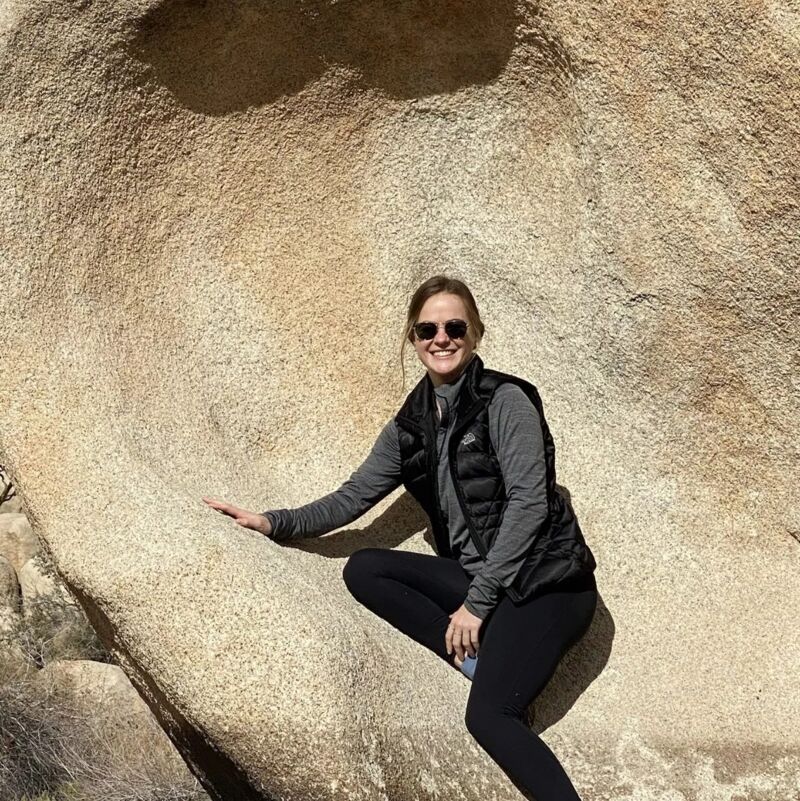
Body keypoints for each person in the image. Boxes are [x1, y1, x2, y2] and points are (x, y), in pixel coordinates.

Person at [202, 275, 597, 801]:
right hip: (488, 582)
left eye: (454, 327)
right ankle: (482, 660)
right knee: (366, 568)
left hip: (547, 584)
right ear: (412, 339)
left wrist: (475, 606)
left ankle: (497, 677)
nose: (441, 338)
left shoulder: (506, 401)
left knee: (489, 716)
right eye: (427, 328)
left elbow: (529, 506)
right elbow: (353, 496)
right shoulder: (411, 427)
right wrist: (273, 522)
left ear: (475, 334)